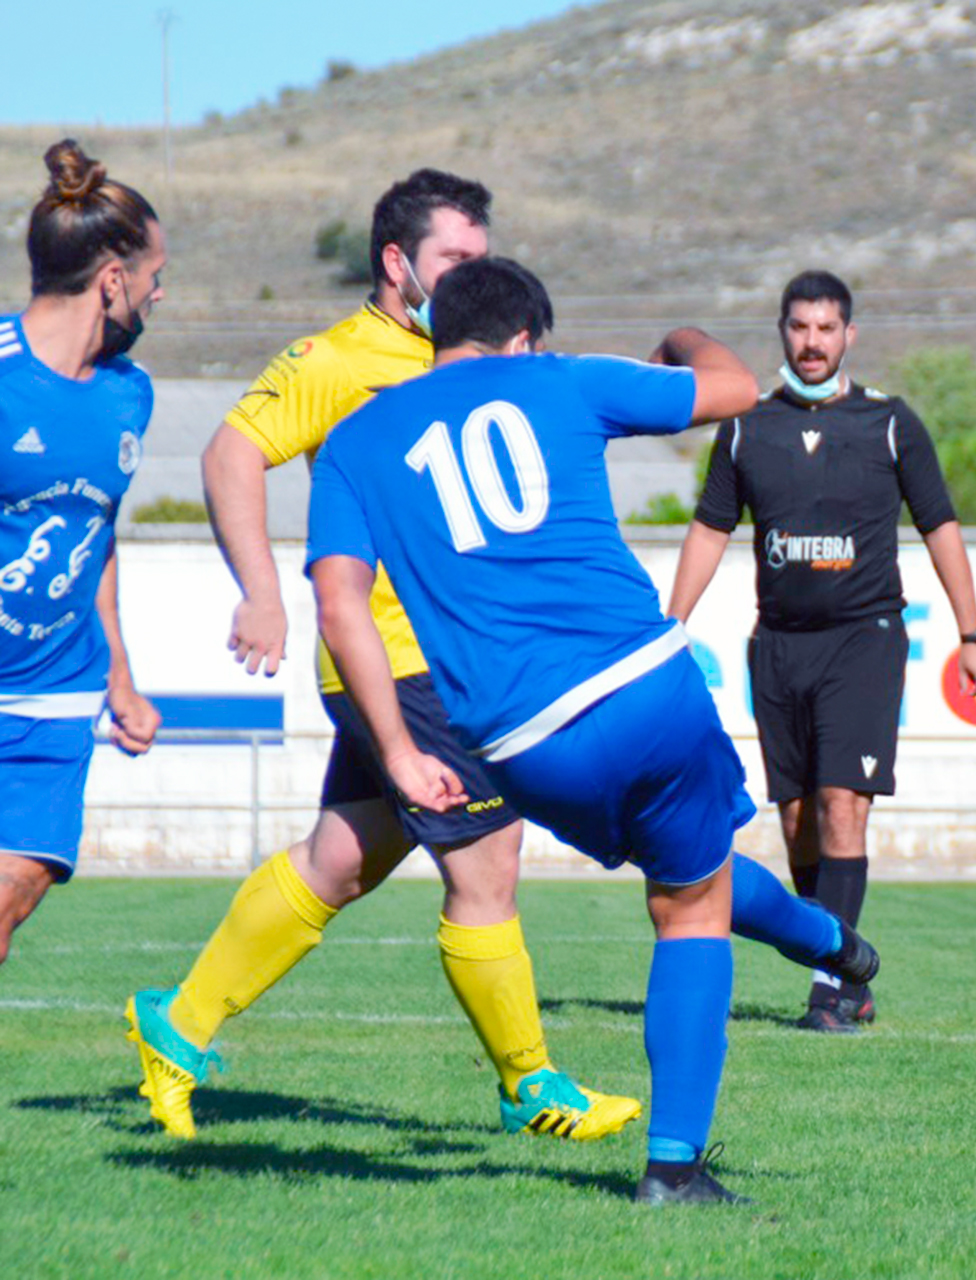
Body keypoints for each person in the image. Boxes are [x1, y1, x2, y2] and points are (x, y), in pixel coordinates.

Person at [306, 257, 877, 1205]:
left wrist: (400, 752)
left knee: (688, 870)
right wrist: (681, 338)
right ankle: (675, 1166)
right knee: (691, 903)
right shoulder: (560, 379)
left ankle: (830, 942)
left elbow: (339, 606)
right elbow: (738, 387)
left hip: (515, 744)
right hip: (640, 686)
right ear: (525, 336)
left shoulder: (353, 442)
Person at [126, 171, 637, 1145]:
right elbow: (230, 454)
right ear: (398, 263)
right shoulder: (336, 361)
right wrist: (261, 589)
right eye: (455, 258)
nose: (474, 274)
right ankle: (530, 1082)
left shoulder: (490, 360)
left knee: (339, 860)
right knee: (487, 863)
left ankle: (177, 1027)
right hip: (401, 659)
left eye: (483, 259)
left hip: (455, 657)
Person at [668, 269, 976, 1033]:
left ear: (849, 335)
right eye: (799, 327)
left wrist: (972, 631)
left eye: (826, 328)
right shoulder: (747, 426)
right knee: (798, 823)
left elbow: (940, 526)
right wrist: (671, 624)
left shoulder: (890, 423)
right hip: (779, 645)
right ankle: (842, 964)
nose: (812, 342)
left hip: (864, 639)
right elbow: (710, 530)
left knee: (844, 805)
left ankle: (833, 986)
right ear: (783, 332)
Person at [0, 140, 165, 964]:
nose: (159, 292)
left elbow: (96, 535)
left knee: (12, 894)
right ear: (111, 281)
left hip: (56, 694)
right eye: (154, 275)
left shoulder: (130, 393)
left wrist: (120, 676)